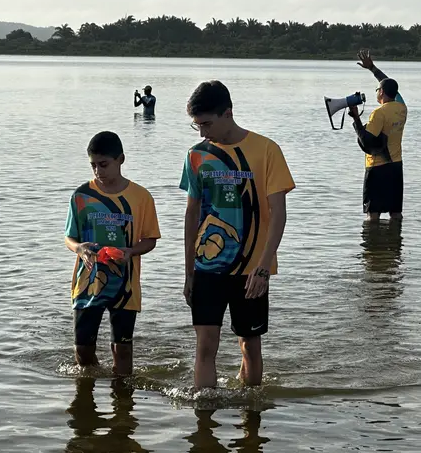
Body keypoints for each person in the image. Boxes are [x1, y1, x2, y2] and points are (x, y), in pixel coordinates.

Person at [179, 80, 296, 389]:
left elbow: (278, 215)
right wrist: (188, 270)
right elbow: (192, 214)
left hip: (251, 269)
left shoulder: (266, 150)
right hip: (207, 266)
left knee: (250, 345)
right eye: (197, 126)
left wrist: (263, 268)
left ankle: (251, 418)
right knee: (205, 347)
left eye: (206, 123)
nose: (203, 132)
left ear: (227, 113)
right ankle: (204, 422)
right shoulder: (196, 155)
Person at [64, 131, 161, 377]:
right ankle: (88, 399)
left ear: (121, 159)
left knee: (123, 350)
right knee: (83, 351)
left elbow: (150, 240)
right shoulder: (82, 196)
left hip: (125, 284)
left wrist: (130, 251)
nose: (98, 171)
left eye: (104, 165)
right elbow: (69, 237)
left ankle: (122, 401)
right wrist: (79, 248)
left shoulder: (140, 197)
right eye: (93, 165)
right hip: (88, 283)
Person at [350, 49, 408, 223]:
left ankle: (373, 247)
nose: (376, 92)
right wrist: (373, 69)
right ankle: (395, 245)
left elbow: (367, 143)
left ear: (381, 92)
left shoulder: (378, 113)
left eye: (377, 90)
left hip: (377, 168)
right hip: (396, 166)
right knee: (395, 213)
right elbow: (390, 85)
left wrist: (356, 120)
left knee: (372, 214)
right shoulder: (402, 108)